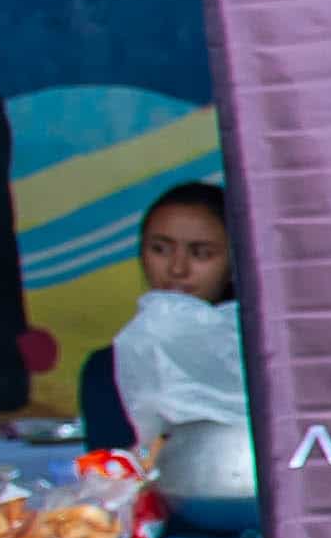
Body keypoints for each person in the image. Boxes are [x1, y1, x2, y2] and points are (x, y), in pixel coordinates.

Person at [78, 180, 240, 452]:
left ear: (236, 262)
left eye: (201, 253)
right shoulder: (107, 369)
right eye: (160, 249)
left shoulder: (266, 365)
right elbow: (112, 469)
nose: (177, 269)